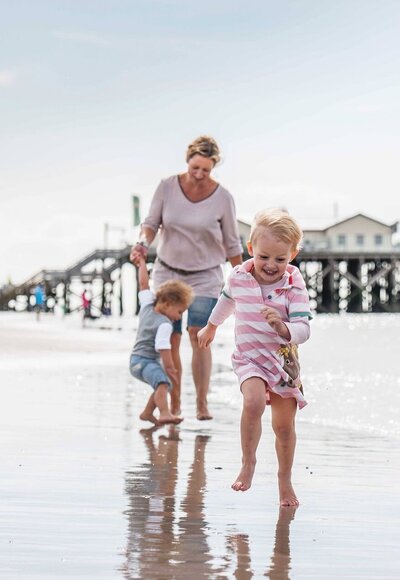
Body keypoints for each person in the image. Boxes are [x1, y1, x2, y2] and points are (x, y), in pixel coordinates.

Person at [198, 208, 312, 507]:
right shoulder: (238, 277)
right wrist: (211, 326)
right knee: (253, 402)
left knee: (284, 428)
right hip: (249, 358)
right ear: (251, 248)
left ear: (292, 255)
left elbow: (303, 329)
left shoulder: (293, 286)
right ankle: (248, 463)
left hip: (283, 361)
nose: (271, 265)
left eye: (280, 259)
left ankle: (284, 480)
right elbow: (226, 301)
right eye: (264, 256)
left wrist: (283, 327)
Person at [137, 135, 244, 421]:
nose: (199, 175)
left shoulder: (223, 198)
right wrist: (142, 243)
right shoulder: (167, 187)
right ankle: (173, 403)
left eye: (206, 170)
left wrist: (243, 277)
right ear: (187, 161)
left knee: (199, 336)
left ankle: (201, 403)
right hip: (168, 272)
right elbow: (150, 224)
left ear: (214, 167)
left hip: (205, 275)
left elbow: (232, 243)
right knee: (169, 338)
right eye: (195, 168)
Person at [128, 242, 195, 426]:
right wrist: (171, 368)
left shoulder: (147, 305)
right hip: (145, 362)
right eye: (179, 311)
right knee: (164, 383)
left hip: (135, 361)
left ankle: (147, 412)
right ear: (167, 303)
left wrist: (141, 263)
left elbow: (143, 283)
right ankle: (165, 413)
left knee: (162, 384)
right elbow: (163, 347)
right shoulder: (165, 324)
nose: (179, 317)